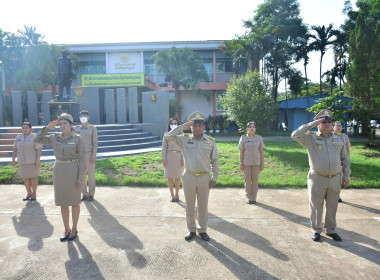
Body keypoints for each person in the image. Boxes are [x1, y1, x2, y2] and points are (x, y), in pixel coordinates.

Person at [291, 109, 350, 242]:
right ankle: (316, 230)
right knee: (316, 206)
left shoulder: (339, 138)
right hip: (317, 177)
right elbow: (294, 135)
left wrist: (346, 175)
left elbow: (345, 159)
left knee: (332, 206)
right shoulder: (310, 137)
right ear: (318, 124)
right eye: (323, 122)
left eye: (329, 122)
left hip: (335, 178)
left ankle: (330, 230)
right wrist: (312, 123)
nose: (327, 124)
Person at [165, 112, 219, 241]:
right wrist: (183, 126)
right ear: (191, 127)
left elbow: (215, 160)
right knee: (189, 205)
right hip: (189, 177)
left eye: (200, 125)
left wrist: (214, 177)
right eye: (195, 125)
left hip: (204, 178)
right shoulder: (184, 139)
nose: (197, 128)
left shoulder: (210, 142)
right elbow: (168, 136)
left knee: (203, 206)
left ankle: (203, 230)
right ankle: (191, 229)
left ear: (204, 127)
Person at [34, 113, 85, 242]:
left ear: (71, 125)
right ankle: (66, 229)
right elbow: (36, 139)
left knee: (74, 202)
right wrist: (48, 128)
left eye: (65, 123)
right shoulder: (54, 138)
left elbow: (82, 160)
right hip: (59, 171)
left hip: (73, 170)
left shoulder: (78, 139)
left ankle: (74, 229)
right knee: (63, 202)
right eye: (60, 124)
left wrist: (81, 177)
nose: (62, 126)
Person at [12, 122, 43, 201]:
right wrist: (13, 160)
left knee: (33, 178)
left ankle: (34, 193)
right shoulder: (18, 137)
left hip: (32, 161)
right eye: (23, 128)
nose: (24, 129)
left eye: (26, 128)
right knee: (26, 178)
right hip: (22, 162)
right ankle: (29, 193)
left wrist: (38, 160)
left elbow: (38, 149)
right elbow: (15, 149)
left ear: (30, 129)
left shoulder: (35, 137)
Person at [238, 121, 265, 204]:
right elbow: (241, 152)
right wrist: (241, 163)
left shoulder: (259, 138)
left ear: (255, 129)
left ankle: (254, 198)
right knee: (247, 181)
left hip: (256, 163)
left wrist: (262, 163)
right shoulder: (243, 138)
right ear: (247, 129)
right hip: (246, 163)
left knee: (255, 181)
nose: (252, 128)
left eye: (253, 127)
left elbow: (261, 152)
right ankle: (248, 198)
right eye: (250, 127)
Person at [74, 110, 98, 202]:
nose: (82, 117)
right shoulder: (76, 129)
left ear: (88, 117)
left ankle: (91, 194)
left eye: (84, 116)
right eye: (81, 116)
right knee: (81, 175)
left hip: (89, 154)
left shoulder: (92, 128)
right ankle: (84, 194)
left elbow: (95, 143)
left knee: (91, 176)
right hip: (80, 156)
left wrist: (93, 156)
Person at [161, 118, 184, 202]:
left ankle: (177, 194)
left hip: (178, 156)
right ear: (169, 124)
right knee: (170, 177)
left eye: (175, 123)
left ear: (178, 124)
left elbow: (183, 148)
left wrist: (183, 159)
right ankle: (171, 195)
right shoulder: (166, 134)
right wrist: (164, 159)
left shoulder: (181, 134)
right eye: (172, 123)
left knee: (178, 177)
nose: (174, 125)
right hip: (169, 156)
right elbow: (164, 148)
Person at [333, 121, 351, 203]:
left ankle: (337, 195)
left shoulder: (345, 136)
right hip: (334, 160)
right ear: (333, 127)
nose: (339, 127)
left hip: (342, 160)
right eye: (337, 126)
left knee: (340, 178)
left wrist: (348, 158)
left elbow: (347, 148)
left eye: (340, 126)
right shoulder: (331, 136)